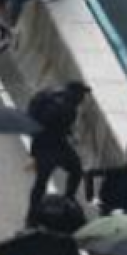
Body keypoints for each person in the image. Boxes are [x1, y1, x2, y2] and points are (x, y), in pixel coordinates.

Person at [25, 81, 88, 214]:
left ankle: (68, 198)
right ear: (76, 93)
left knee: (76, 170)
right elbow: (46, 124)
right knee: (42, 181)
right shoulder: (62, 106)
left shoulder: (54, 95)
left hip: (57, 143)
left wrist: (68, 133)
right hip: (47, 147)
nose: (83, 99)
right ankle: (33, 212)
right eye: (82, 95)